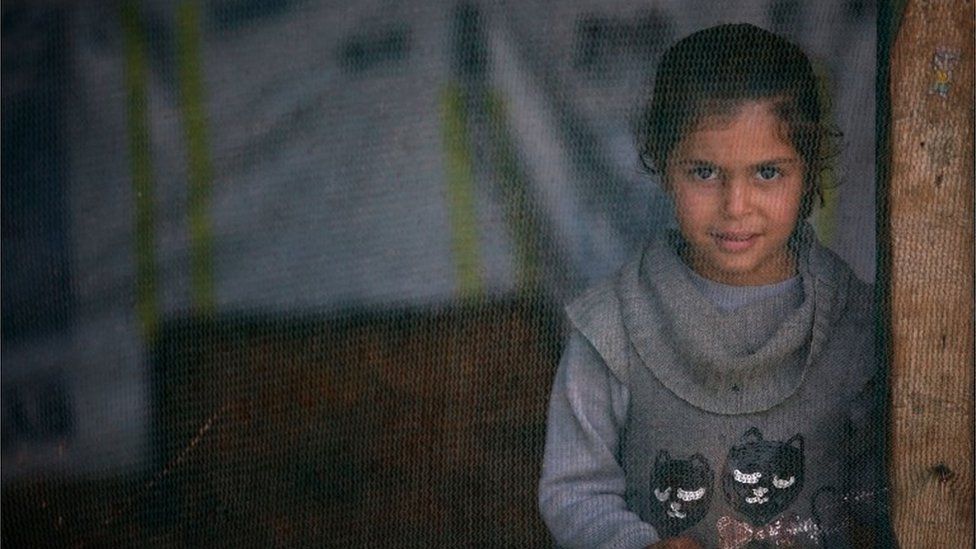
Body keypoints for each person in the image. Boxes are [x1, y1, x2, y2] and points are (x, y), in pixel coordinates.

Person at [538, 24, 892, 548]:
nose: (735, 205)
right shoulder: (610, 328)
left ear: (810, 168)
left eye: (767, 173)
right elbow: (572, 489)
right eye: (704, 172)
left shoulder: (855, 324)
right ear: (662, 165)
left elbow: (897, 487)